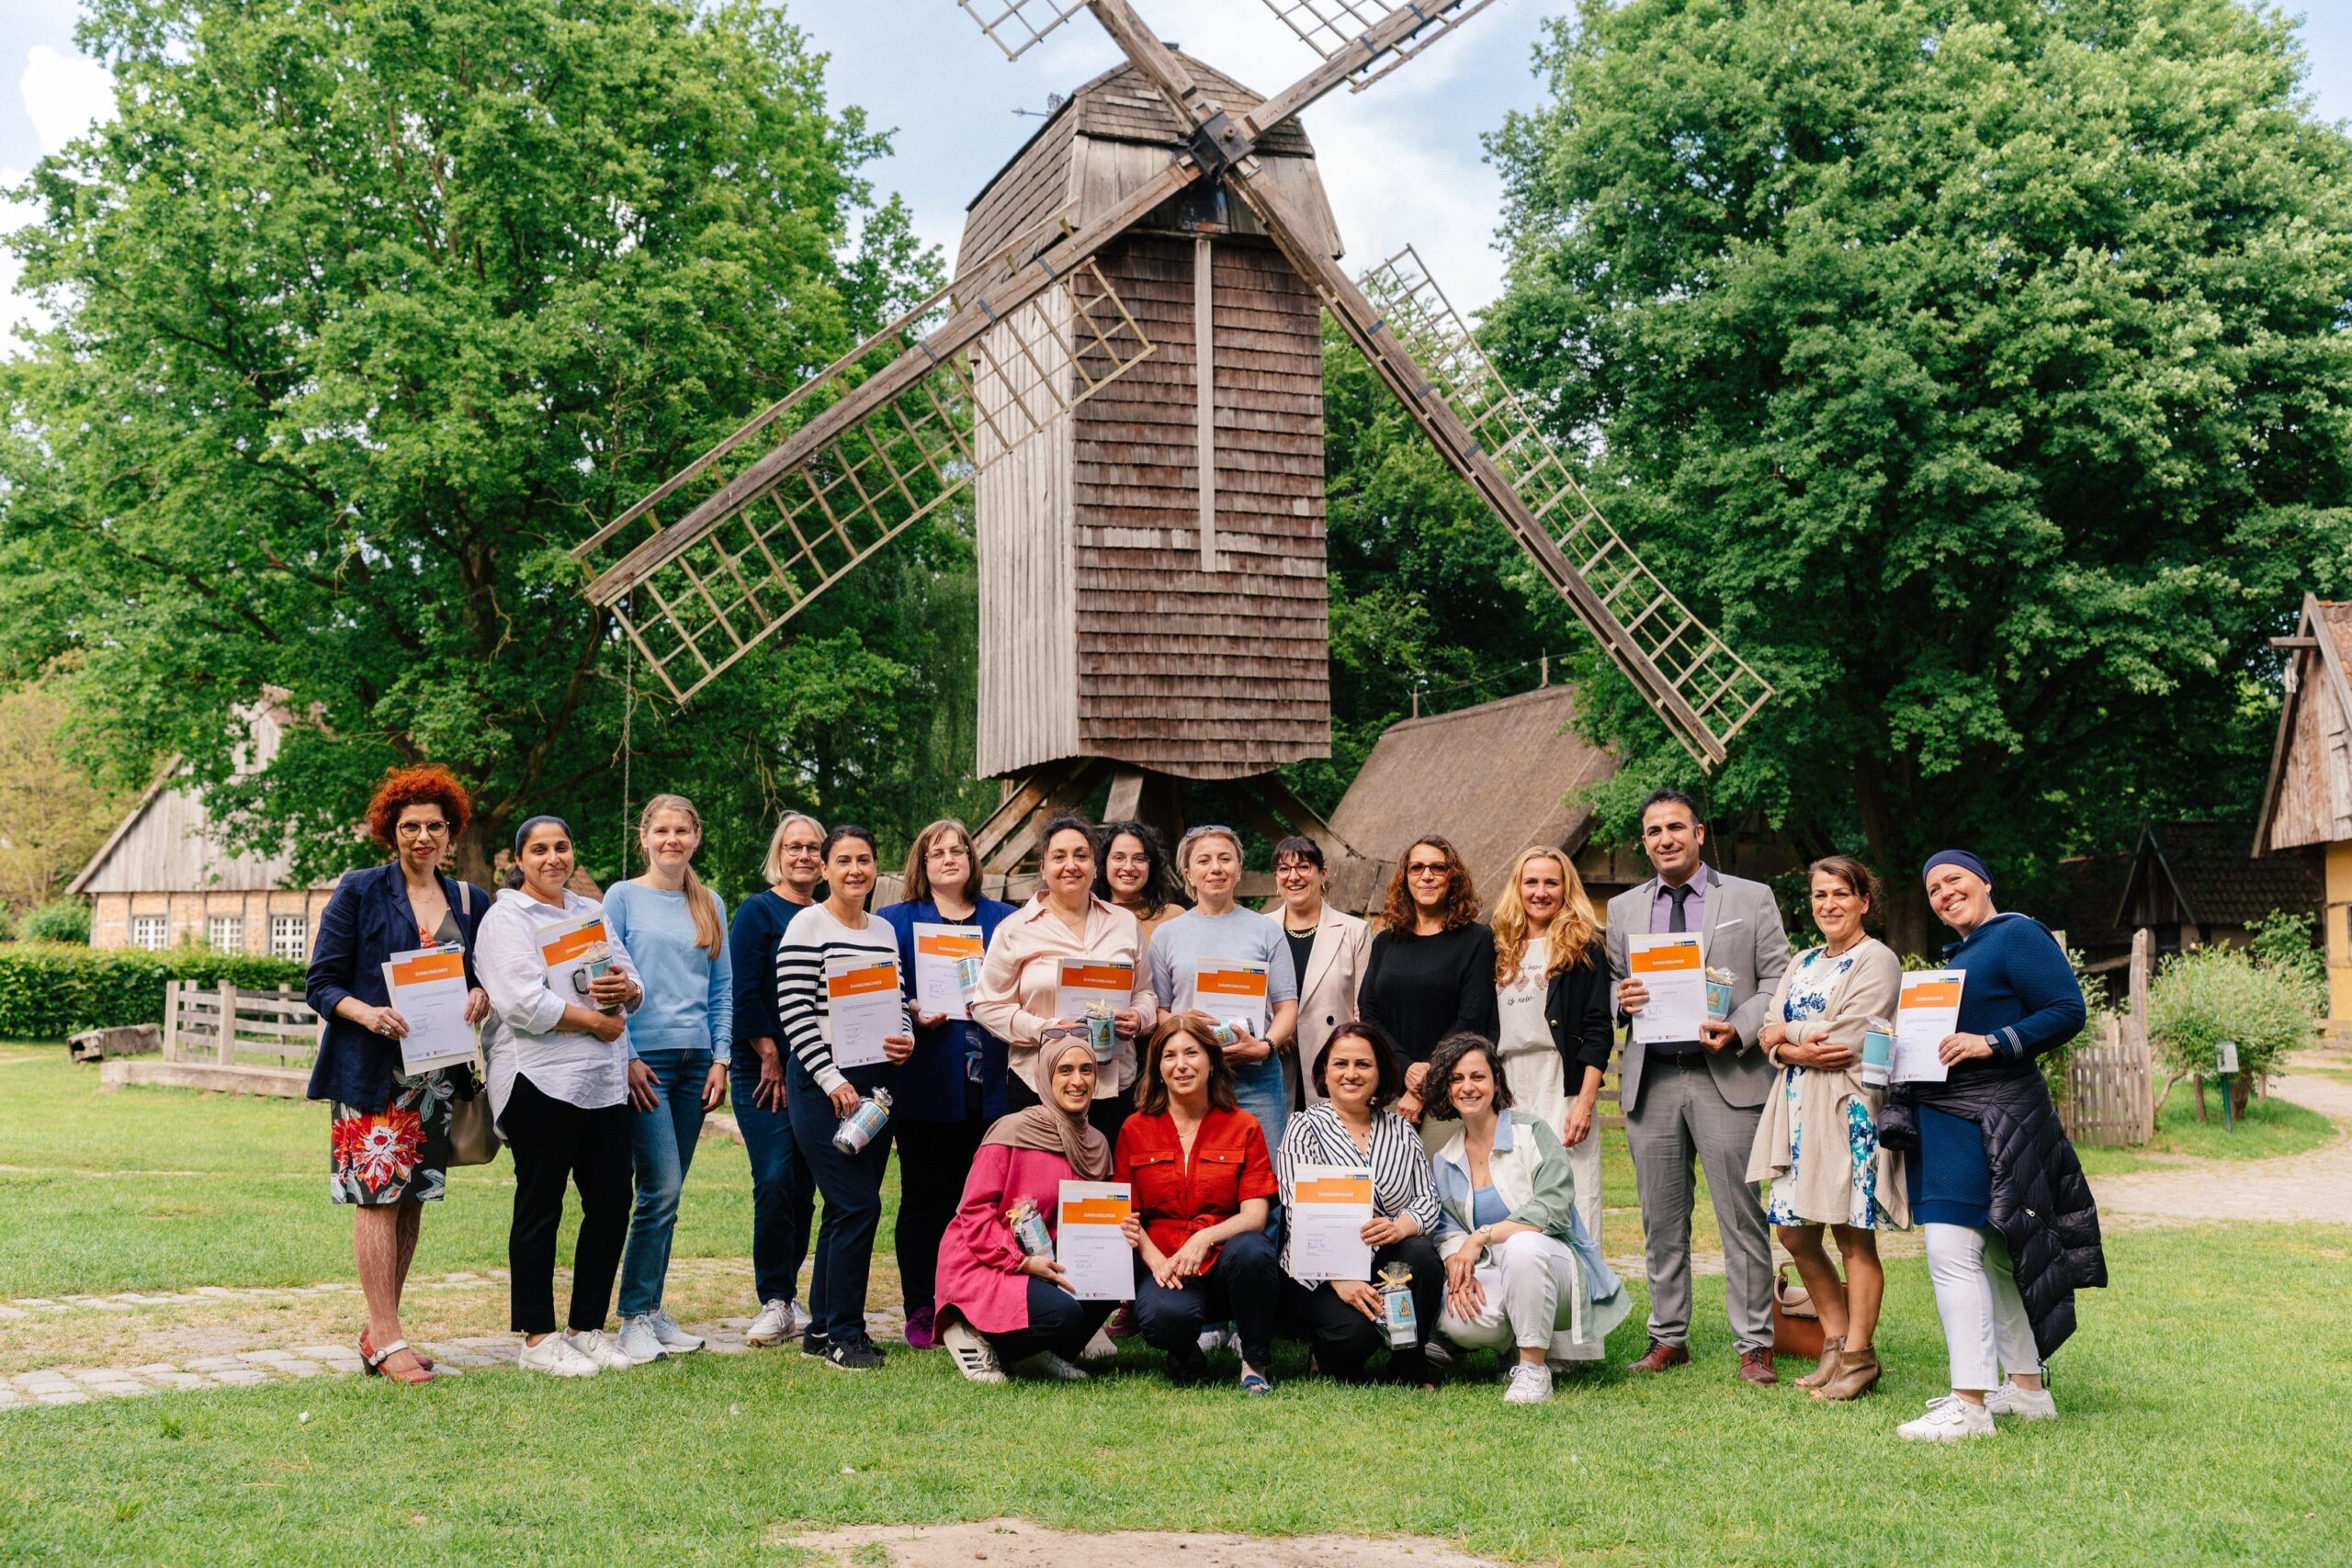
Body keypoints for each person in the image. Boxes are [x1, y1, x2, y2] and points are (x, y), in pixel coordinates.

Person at [1882, 850, 2102, 1442]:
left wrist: (1994, 1041)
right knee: (2000, 1254)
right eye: (1933, 889)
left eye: (1954, 879)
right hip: (1950, 1118)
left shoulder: (2015, 934)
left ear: (1985, 882)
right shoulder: (1962, 957)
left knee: (1951, 1251)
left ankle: (1969, 1406)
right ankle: (2027, 1391)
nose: (1944, 893)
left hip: (1990, 1115)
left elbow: (2067, 1010)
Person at [304, 765, 492, 1384]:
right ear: (392, 830)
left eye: (434, 826)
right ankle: (386, 1338)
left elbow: (482, 976)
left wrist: (481, 993)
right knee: (376, 1199)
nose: (422, 837)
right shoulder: (360, 889)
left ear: (451, 832)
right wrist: (369, 1013)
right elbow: (321, 982)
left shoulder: (469, 900)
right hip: (370, 1071)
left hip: (435, 1074)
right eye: (410, 826)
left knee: (410, 1201)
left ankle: (382, 1330)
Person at [1604, 788, 1792, 1384]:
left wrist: (1739, 1028)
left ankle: (1755, 1344)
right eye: (1654, 830)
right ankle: (1668, 1337)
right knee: (1661, 1220)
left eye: (1676, 827)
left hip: (1727, 1075)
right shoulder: (1623, 909)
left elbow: (1778, 980)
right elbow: (1609, 985)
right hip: (1653, 1078)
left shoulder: (1750, 897)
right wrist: (1620, 998)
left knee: (1741, 1217)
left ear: (1699, 833)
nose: (1665, 839)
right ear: (1645, 841)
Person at [477, 815, 648, 1378]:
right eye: (540, 850)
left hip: (602, 1084)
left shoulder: (589, 912)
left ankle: (586, 1328)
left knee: (611, 1203)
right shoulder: (507, 919)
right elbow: (522, 1003)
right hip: (539, 1081)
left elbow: (633, 982)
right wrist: (595, 1022)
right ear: (519, 861)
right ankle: (537, 1336)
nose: (554, 858)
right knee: (541, 1206)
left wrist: (626, 989)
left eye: (562, 847)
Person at [1745, 855, 1905, 1403]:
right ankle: (1834, 1344)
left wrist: (1786, 1039)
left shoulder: (1877, 959)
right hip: (1794, 1111)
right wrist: (1790, 1044)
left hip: (1845, 1109)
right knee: (1793, 1232)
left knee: (1851, 1235)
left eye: (1841, 893)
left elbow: (1848, 1039)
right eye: (1820, 895)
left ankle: (1859, 1357)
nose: (1829, 904)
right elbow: (1767, 1028)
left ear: (1864, 900)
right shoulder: (1804, 959)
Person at [775, 824, 916, 1371]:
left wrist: (905, 1037)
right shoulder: (807, 926)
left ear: (876, 867)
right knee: (859, 1204)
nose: (855, 870)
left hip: (877, 1085)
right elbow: (794, 1012)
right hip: (824, 1085)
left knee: (845, 1207)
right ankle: (846, 1336)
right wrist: (832, 1080)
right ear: (825, 869)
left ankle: (821, 1329)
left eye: (864, 860)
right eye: (843, 860)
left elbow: (897, 1000)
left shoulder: (883, 930)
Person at [1424, 1032, 1631, 1404]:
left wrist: (1481, 1236)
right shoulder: (1446, 1158)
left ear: (1495, 1081)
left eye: (1477, 1076)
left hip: (1554, 1267)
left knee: (1522, 1247)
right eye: (1457, 1079)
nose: (1468, 1087)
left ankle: (1535, 1371)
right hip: (1495, 1271)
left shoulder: (1530, 1132)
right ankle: (1513, 1351)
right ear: (1447, 1089)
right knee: (1455, 1317)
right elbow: (1447, 1228)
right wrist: (1457, 1261)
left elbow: (1554, 1206)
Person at [877, 818, 1018, 1350]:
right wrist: (911, 1007)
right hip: (928, 1082)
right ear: (922, 863)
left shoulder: (1004, 919)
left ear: (972, 860)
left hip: (993, 1086)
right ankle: (921, 1306)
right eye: (937, 853)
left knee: (983, 1203)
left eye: (959, 850)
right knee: (924, 1200)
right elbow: (879, 990)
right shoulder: (894, 921)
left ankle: (975, 1303)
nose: (949, 859)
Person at [602, 793, 732, 1364]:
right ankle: (632, 1316)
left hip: (695, 1063)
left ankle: (652, 1311)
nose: (671, 840)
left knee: (669, 1193)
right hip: (645, 1062)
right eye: (661, 831)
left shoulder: (710, 904)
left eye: (682, 831)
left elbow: (722, 989)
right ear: (645, 837)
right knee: (661, 1187)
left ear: (696, 837)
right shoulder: (622, 897)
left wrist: (721, 1058)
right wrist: (627, 1055)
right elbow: (605, 982)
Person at [935, 1032, 1119, 1384]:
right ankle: (970, 1333)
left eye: (1086, 1070)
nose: (1078, 1081)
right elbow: (974, 1212)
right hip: (988, 1259)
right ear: (1046, 1077)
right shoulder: (1012, 1131)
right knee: (1063, 1315)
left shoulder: (1095, 1144)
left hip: (1048, 1259)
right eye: (1065, 1070)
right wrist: (1021, 1261)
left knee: (1111, 1277)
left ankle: (1030, 1355)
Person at [1115, 1018, 1282, 1393]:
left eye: (1192, 1053)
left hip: (1226, 1266)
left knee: (1254, 1250)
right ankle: (1184, 1352)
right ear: (1158, 1068)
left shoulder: (1244, 1126)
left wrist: (1205, 1237)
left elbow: (1256, 1216)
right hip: (1167, 1264)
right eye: (1170, 1056)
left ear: (1211, 1062)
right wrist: (1155, 1261)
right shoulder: (1134, 1129)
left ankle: (1254, 1363)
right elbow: (1125, 1214)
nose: (1181, 1065)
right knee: (1162, 1318)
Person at [970, 813, 1158, 1142]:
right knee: (1042, 1175)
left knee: (1108, 1173)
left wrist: (1139, 1017)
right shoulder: (1015, 929)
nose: (1071, 865)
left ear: (1095, 866)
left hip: (1112, 1086)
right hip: (1039, 1085)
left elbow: (1145, 992)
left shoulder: (1123, 923)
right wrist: (1045, 1030)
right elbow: (987, 1006)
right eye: (1059, 856)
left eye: (1081, 855)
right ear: (1043, 868)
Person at [1275, 1024, 1442, 1385]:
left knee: (1422, 1255)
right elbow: (1296, 1211)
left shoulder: (1401, 1130)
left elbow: (1428, 1199)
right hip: (1321, 1271)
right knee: (1353, 1338)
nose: (1351, 1074)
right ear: (1325, 1071)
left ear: (1380, 1072)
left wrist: (1400, 1226)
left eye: (1363, 1064)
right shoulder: (1304, 1127)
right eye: (1341, 1064)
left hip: (1386, 1263)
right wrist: (1340, 1279)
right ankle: (1326, 1350)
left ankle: (1408, 1363)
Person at [728, 812, 824, 1348]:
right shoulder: (758, 911)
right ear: (779, 855)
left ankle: (789, 1295)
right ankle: (774, 1298)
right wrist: (767, 1051)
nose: (804, 856)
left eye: (813, 848)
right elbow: (742, 988)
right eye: (794, 847)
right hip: (762, 1068)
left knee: (805, 1186)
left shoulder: (831, 916)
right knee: (773, 1179)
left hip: (815, 1070)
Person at [1147, 825, 1299, 1153]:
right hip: (1189, 1075)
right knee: (1198, 1170)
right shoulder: (1166, 935)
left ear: (1239, 869)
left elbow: (1287, 1006)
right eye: (1204, 860)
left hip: (1255, 1076)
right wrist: (1178, 1022)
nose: (1215, 868)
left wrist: (1265, 1047)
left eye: (1225, 859)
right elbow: (1159, 1010)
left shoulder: (1267, 931)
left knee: (1264, 1169)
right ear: (1189, 874)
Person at [1489, 845, 1612, 1247]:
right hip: (1508, 1082)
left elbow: (1599, 1029)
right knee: (1514, 1186)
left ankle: (1582, 1281)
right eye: (1531, 882)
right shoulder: (1497, 948)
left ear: (1565, 889)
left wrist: (1584, 1103)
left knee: (1574, 1189)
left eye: (1551, 883)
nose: (1540, 892)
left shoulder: (1585, 947)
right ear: (1517, 887)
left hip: (1562, 1080)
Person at [1358, 835, 1499, 1122]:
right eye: (1417, 868)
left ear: (1453, 877)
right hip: (1390, 1088)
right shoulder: (1385, 942)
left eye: (1438, 868)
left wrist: (1425, 1081)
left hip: (1450, 1091)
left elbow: (1472, 1019)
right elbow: (1369, 1012)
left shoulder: (1476, 940)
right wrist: (1405, 1068)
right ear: (1405, 878)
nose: (1427, 876)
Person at [1269, 835, 1369, 1114]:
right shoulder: (1259, 930)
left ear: (1323, 873)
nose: (1294, 877)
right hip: (1277, 1063)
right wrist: (1273, 1032)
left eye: (1304, 867)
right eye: (1284, 869)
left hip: (1335, 1065)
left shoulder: (1354, 931)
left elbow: (1364, 1010)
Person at [1096, 821, 1183, 949]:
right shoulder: (1087, 917)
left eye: (1139, 859)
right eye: (1119, 858)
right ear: (1103, 864)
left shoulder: (1173, 918)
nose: (1129, 867)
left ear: (1151, 866)